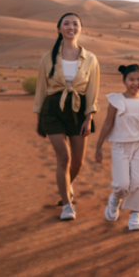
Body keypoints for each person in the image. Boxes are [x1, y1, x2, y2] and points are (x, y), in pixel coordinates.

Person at [33, 12, 100, 221]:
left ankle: (67, 185)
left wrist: (89, 117)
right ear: (59, 29)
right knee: (64, 157)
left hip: (79, 110)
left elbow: (92, 91)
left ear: (80, 29)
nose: (71, 27)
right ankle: (67, 205)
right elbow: (41, 88)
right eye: (66, 23)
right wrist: (39, 117)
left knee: (78, 163)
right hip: (52, 110)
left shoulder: (90, 58)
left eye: (75, 24)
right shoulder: (48, 57)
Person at [95, 64, 139, 231]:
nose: (135, 83)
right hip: (120, 146)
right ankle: (115, 199)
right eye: (131, 79)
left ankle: (134, 215)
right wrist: (99, 146)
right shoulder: (116, 100)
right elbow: (107, 124)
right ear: (124, 81)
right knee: (122, 184)